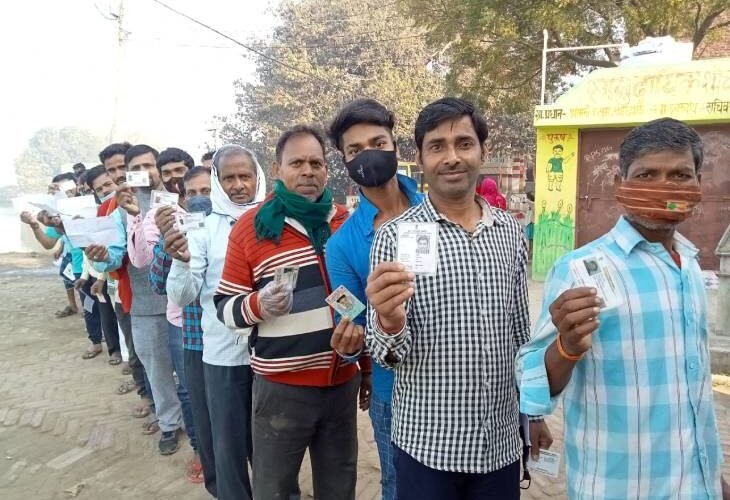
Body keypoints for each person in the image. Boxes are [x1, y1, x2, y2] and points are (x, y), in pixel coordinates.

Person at [516, 117, 728, 499]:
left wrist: (713, 479)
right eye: (647, 175)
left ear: (698, 184)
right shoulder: (580, 269)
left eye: (680, 176)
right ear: (619, 184)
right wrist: (566, 346)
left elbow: (692, 393)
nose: (664, 187)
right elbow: (533, 376)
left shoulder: (691, 267)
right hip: (619, 487)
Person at [365, 97, 551, 500]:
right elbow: (384, 355)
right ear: (420, 158)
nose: (451, 157)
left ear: (482, 151)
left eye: (464, 143)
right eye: (437, 146)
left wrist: (532, 411)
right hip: (426, 447)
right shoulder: (393, 237)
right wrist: (390, 322)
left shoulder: (509, 233)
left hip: (499, 446)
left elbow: (521, 333)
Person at [214, 126, 362, 500]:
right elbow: (225, 307)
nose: (308, 171)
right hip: (281, 390)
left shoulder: (346, 222)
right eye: (297, 163)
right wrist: (258, 305)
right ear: (277, 170)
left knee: (339, 485)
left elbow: (364, 301)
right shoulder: (252, 228)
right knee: (274, 488)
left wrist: (368, 369)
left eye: (316, 163)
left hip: (341, 382)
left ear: (327, 171)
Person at [324, 98, 424, 500]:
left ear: (395, 148)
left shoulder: (438, 208)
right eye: (353, 150)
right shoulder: (341, 246)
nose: (367, 155)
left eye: (377, 142)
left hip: (459, 378)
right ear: (345, 162)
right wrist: (349, 349)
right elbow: (353, 324)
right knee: (400, 486)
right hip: (394, 391)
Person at [167, 146, 267, 500]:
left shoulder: (277, 220)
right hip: (223, 356)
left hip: (272, 355)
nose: (239, 185)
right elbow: (182, 296)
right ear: (218, 182)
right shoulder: (205, 229)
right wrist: (180, 261)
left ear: (258, 177)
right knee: (227, 448)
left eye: (245, 176)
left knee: (269, 446)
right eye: (229, 178)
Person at [86, 144, 185, 455]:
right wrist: (102, 258)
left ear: (159, 167)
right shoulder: (120, 211)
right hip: (143, 306)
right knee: (156, 369)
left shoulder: (180, 199)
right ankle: (169, 423)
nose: (145, 173)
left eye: (150, 166)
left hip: (183, 304)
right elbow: (115, 254)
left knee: (189, 372)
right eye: (136, 169)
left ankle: (198, 425)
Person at [148, 166, 214, 487]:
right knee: (196, 400)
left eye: (208, 191)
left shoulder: (233, 230)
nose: (202, 199)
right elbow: (158, 285)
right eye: (194, 193)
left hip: (232, 339)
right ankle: (202, 452)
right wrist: (166, 242)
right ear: (183, 199)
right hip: (193, 337)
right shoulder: (175, 232)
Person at [19, 209, 78, 318]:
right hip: (70, 252)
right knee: (67, 277)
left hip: (83, 253)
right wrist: (34, 225)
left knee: (83, 283)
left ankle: (91, 313)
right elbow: (48, 243)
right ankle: (73, 305)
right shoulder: (57, 210)